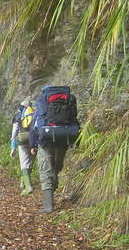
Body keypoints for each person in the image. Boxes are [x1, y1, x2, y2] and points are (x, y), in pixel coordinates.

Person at [29, 85, 79, 213]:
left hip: (45, 140)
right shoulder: (70, 99)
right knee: (57, 166)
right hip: (63, 138)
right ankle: (54, 183)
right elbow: (74, 119)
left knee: (45, 170)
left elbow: (35, 124)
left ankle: (48, 206)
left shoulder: (42, 101)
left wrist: (32, 144)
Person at [10, 98, 34, 195]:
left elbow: (14, 133)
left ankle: (28, 187)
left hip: (22, 139)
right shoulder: (34, 113)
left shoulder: (18, 115)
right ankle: (23, 182)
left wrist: (13, 148)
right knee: (30, 162)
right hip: (33, 139)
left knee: (24, 163)